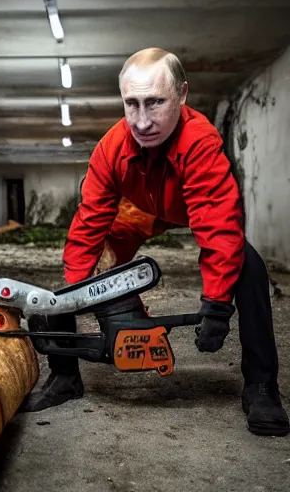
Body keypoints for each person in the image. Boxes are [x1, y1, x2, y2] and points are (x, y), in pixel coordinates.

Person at [22, 48, 290, 437]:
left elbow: (216, 223)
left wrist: (216, 306)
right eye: (132, 104)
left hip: (191, 204)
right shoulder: (110, 148)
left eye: (155, 103)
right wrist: (70, 301)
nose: (143, 121)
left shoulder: (201, 142)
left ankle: (261, 387)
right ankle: (65, 377)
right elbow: (87, 228)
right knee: (93, 257)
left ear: (181, 95)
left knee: (248, 265)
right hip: (141, 209)